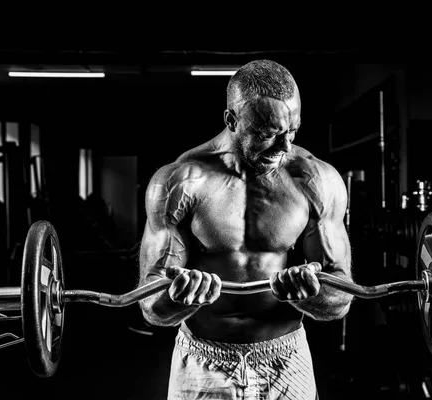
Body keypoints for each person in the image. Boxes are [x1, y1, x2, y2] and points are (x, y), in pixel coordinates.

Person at [138, 59, 354, 399]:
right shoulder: (179, 182)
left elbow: (340, 301)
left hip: (287, 360)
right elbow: (151, 307)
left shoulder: (315, 180)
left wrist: (310, 293)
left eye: (291, 132)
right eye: (267, 134)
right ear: (232, 120)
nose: (283, 148)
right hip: (202, 361)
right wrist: (179, 298)